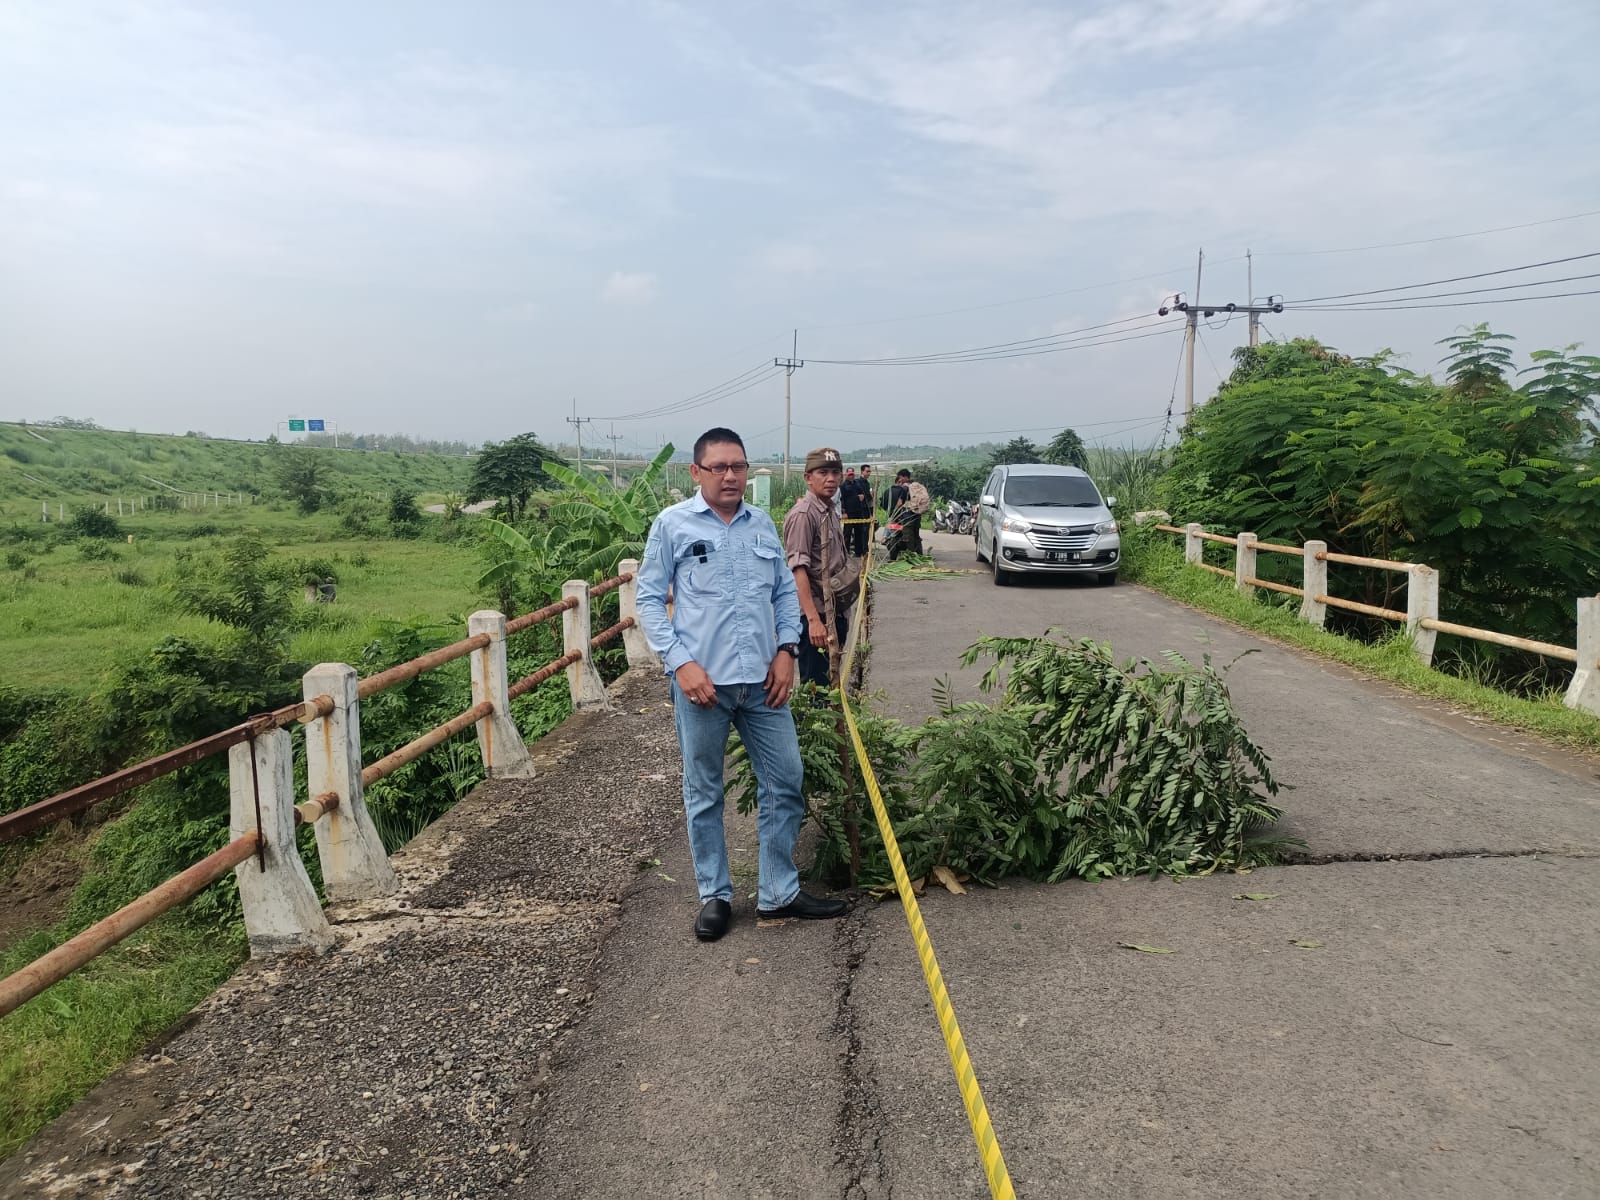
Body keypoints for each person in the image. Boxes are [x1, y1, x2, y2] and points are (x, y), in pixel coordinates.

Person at [636, 427, 848, 942]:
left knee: (786, 779)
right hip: (702, 686)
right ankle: (716, 895)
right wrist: (680, 663)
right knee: (704, 790)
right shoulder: (673, 526)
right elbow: (647, 600)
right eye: (719, 467)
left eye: (739, 466)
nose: (730, 476)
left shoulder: (762, 526)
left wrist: (786, 651)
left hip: (762, 683)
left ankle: (779, 891)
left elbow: (781, 593)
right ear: (696, 472)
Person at [781, 447, 860, 691]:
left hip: (834, 611)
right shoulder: (804, 514)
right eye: (823, 472)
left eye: (835, 472)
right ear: (808, 477)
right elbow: (798, 570)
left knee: (830, 682)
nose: (831, 479)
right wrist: (814, 620)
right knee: (815, 690)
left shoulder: (828, 511)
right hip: (816, 616)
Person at [839, 464, 872, 556]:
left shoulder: (857, 484)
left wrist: (862, 496)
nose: (851, 476)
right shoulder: (843, 486)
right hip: (849, 513)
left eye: (852, 474)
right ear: (846, 475)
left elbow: (863, 494)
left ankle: (859, 552)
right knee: (847, 533)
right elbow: (842, 500)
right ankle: (845, 552)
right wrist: (844, 512)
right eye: (849, 474)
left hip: (859, 511)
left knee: (859, 532)